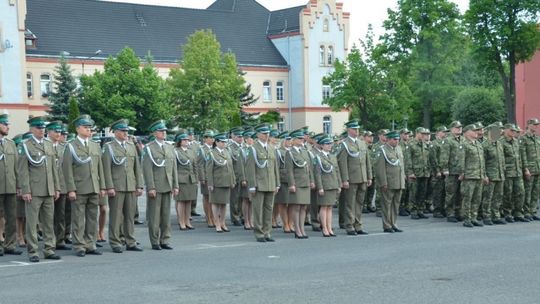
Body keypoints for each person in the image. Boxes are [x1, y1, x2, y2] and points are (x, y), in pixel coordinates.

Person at [18, 116, 61, 262]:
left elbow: (53, 169)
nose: (41, 130)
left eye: (43, 128)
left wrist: (56, 187)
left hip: (49, 189)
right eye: (38, 127)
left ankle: (49, 249)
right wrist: (26, 190)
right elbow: (23, 170)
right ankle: (33, 251)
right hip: (34, 190)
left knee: (49, 221)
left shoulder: (48, 144)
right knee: (32, 222)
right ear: (31, 129)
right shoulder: (26, 145)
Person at [62, 115, 106, 257]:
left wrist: (102, 186)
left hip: (94, 186)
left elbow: (100, 168)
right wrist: (71, 189)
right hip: (79, 188)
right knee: (79, 219)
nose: (88, 129)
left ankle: (90, 244)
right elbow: (67, 169)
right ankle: (79, 245)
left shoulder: (94, 145)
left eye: (89, 127)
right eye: (85, 127)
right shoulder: (71, 146)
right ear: (77, 129)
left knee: (93, 218)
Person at [102, 119, 144, 253]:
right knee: (116, 216)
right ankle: (115, 242)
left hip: (130, 185)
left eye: (127, 131)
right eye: (123, 131)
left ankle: (130, 241)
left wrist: (139, 185)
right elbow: (106, 169)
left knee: (130, 215)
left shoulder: (131, 146)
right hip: (117, 186)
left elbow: (136, 167)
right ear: (116, 132)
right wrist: (109, 186)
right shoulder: (109, 147)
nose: (126, 133)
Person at [142, 120, 179, 250]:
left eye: (164, 131)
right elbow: (147, 169)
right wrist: (150, 187)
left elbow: (173, 167)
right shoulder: (149, 148)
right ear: (154, 133)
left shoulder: (169, 147)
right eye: (161, 131)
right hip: (156, 186)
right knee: (154, 215)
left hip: (167, 185)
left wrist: (175, 185)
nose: (164, 133)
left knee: (166, 215)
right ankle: (155, 241)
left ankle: (165, 239)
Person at [245, 123, 280, 242]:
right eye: (264, 133)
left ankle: (267, 232)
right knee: (258, 210)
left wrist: (277, 183)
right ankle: (259, 233)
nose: (267, 135)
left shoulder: (271, 148)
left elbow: (275, 167)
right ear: (258, 134)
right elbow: (250, 169)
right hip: (259, 184)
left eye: (268, 133)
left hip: (270, 183)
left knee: (268, 209)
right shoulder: (253, 149)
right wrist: (252, 186)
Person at [337, 120, 372, 236]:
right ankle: (349, 225)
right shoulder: (344, 144)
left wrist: (369, 176)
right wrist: (344, 179)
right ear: (348, 130)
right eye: (354, 129)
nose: (356, 131)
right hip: (351, 178)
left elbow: (367, 161)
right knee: (350, 203)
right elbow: (342, 163)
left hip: (362, 177)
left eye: (357, 129)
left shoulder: (362, 143)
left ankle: (358, 225)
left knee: (359, 203)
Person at [286, 129, 315, 239]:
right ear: (293, 140)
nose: (301, 140)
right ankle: (297, 229)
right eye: (299, 138)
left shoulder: (305, 151)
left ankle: (302, 228)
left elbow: (310, 168)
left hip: (305, 182)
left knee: (303, 207)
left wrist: (312, 180)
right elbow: (289, 170)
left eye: (302, 138)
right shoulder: (290, 153)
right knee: (296, 207)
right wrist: (291, 184)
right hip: (297, 183)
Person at [374, 131, 405, 233]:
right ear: (389, 139)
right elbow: (380, 168)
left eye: (397, 139)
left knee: (395, 205)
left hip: (399, 181)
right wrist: (383, 183)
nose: (397, 141)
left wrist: (403, 179)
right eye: (395, 139)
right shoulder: (382, 150)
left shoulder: (399, 149)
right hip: (389, 182)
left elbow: (401, 166)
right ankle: (387, 225)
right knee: (387, 205)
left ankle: (394, 223)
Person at [0, 114, 22, 256]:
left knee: (11, 217)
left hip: (10, 186)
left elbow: (16, 167)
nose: (8, 127)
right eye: (5, 124)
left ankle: (10, 244)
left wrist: (18, 185)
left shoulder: (10, 144)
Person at [458, 124, 488, 228]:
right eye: (474, 130)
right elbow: (461, 160)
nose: (477, 132)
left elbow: (482, 162)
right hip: (469, 175)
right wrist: (462, 173)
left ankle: (474, 218)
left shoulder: (478, 144)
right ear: (467, 132)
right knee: (468, 198)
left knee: (477, 198)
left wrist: (484, 175)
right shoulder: (464, 144)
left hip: (479, 175)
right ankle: (467, 218)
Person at [206, 133, 236, 233]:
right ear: (217, 142)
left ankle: (223, 222)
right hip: (217, 182)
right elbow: (209, 170)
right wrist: (210, 183)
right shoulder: (211, 153)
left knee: (224, 203)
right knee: (215, 203)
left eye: (225, 142)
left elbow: (231, 168)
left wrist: (233, 180)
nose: (224, 144)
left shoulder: (227, 152)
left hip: (226, 182)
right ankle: (217, 223)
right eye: (222, 142)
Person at [314, 136, 341, 237]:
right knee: (324, 207)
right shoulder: (318, 157)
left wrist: (339, 184)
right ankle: (324, 228)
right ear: (322, 145)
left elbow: (337, 171)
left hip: (333, 184)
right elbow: (317, 173)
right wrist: (320, 187)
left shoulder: (332, 156)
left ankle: (329, 227)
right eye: (327, 144)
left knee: (330, 207)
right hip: (325, 185)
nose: (329, 146)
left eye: (330, 144)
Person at [500, 123, 527, 222]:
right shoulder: (501, 142)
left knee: (521, 192)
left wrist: (524, 169)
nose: (514, 132)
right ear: (506, 130)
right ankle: (507, 213)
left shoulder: (516, 142)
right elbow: (500, 159)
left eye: (515, 131)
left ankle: (518, 212)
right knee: (508, 193)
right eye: (511, 130)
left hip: (517, 171)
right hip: (508, 172)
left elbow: (519, 157)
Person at [481, 122, 506, 225]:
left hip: (500, 175)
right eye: (497, 130)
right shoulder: (485, 145)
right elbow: (482, 162)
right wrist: (484, 175)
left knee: (498, 196)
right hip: (490, 175)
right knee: (488, 197)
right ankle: (486, 216)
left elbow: (502, 159)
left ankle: (496, 215)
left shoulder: (499, 143)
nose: (500, 132)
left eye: (500, 130)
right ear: (490, 132)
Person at [174, 131, 198, 230]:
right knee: (181, 201)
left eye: (187, 139)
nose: (186, 141)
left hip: (190, 179)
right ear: (179, 141)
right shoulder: (176, 151)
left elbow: (195, 166)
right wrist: (174, 182)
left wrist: (196, 179)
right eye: (184, 140)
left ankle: (187, 220)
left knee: (189, 201)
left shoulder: (191, 151)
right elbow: (174, 168)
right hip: (181, 179)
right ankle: (181, 221)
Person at [440, 121, 464, 222]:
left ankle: (458, 212)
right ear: (452, 129)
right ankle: (450, 213)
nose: (459, 129)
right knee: (451, 193)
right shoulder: (448, 140)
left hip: (460, 171)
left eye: (460, 127)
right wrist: (445, 169)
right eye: (457, 127)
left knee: (460, 193)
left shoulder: (463, 140)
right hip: (451, 171)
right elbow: (444, 156)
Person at [406, 127, 431, 219]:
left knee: (422, 192)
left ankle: (420, 210)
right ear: (417, 133)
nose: (424, 135)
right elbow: (408, 159)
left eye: (425, 134)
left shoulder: (424, 145)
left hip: (424, 172)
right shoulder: (411, 144)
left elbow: (428, 159)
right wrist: (410, 172)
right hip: (415, 173)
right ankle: (413, 210)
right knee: (414, 192)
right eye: (422, 134)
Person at [520, 118, 540, 221]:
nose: (537, 126)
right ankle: (526, 212)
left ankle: (533, 211)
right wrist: (526, 169)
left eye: (537, 124)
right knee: (528, 192)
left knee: (536, 192)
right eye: (535, 124)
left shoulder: (537, 139)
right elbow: (522, 155)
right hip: (530, 169)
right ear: (529, 125)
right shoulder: (523, 139)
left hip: (538, 168)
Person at [275, 131, 293, 233]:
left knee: (291, 203)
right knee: (283, 203)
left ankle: (291, 223)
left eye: (290, 140)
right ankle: (285, 223)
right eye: (287, 140)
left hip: (291, 180)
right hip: (283, 180)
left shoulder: (292, 151)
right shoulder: (278, 151)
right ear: (283, 140)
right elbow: (276, 167)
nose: (289, 142)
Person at [197, 130, 215, 227]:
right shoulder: (202, 150)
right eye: (210, 137)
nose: (212, 139)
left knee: (214, 199)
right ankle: (208, 217)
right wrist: (202, 178)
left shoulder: (214, 148)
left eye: (212, 137)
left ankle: (214, 217)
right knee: (207, 198)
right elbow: (200, 165)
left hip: (214, 178)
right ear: (205, 139)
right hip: (206, 177)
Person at [228, 127, 246, 227]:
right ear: (233, 136)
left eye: (242, 136)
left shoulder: (244, 147)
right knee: (234, 198)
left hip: (243, 175)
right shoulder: (230, 148)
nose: (241, 138)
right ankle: (235, 217)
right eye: (238, 136)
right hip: (235, 175)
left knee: (242, 198)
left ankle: (242, 215)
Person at [429, 126, 448, 218]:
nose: (445, 133)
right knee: (437, 192)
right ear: (438, 133)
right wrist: (437, 171)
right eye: (443, 132)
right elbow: (433, 159)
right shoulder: (434, 144)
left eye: (446, 132)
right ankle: (437, 210)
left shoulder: (445, 143)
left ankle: (443, 209)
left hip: (445, 171)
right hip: (438, 172)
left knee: (444, 191)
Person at [240, 129, 255, 230]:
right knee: (246, 200)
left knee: (252, 201)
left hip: (253, 178)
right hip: (246, 178)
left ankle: (251, 220)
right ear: (246, 139)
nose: (252, 140)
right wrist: (243, 178)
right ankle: (246, 220)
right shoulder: (242, 150)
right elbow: (241, 165)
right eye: (250, 138)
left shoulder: (253, 149)